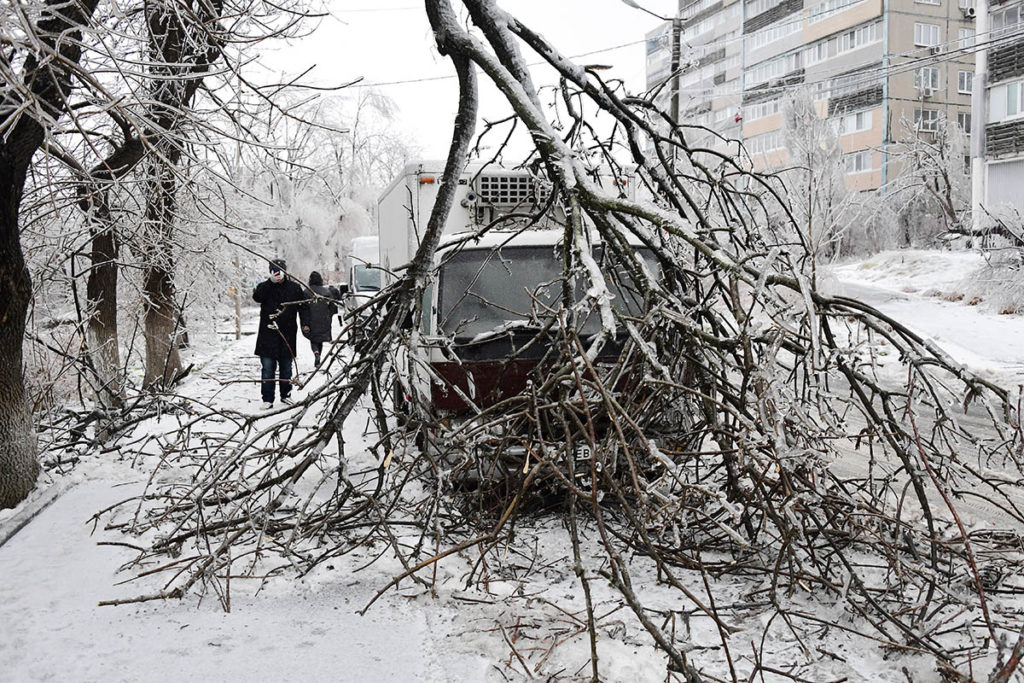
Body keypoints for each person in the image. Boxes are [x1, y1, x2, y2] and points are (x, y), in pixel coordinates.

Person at [253, 258, 306, 409]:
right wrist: (270, 282)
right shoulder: (265, 286)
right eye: (274, 271)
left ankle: (286, 395)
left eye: (279, 271)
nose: (277, 274)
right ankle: (267, 398)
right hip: (267, 334)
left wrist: (305, 324)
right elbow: (257, 297)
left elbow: (303, 307)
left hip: (287, 334)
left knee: (286, 368)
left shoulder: (294, 288)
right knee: (267, 368)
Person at [300, 271, 340, 368]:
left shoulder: (306, 292)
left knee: (314, 339)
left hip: (311, 320)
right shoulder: (327, 292)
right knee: (320, 340)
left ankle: (316, 353)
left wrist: (305, 322)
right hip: (324, 320)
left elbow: (303, 308)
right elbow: (332, 306)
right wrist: (328, 316)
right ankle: (318, 356)